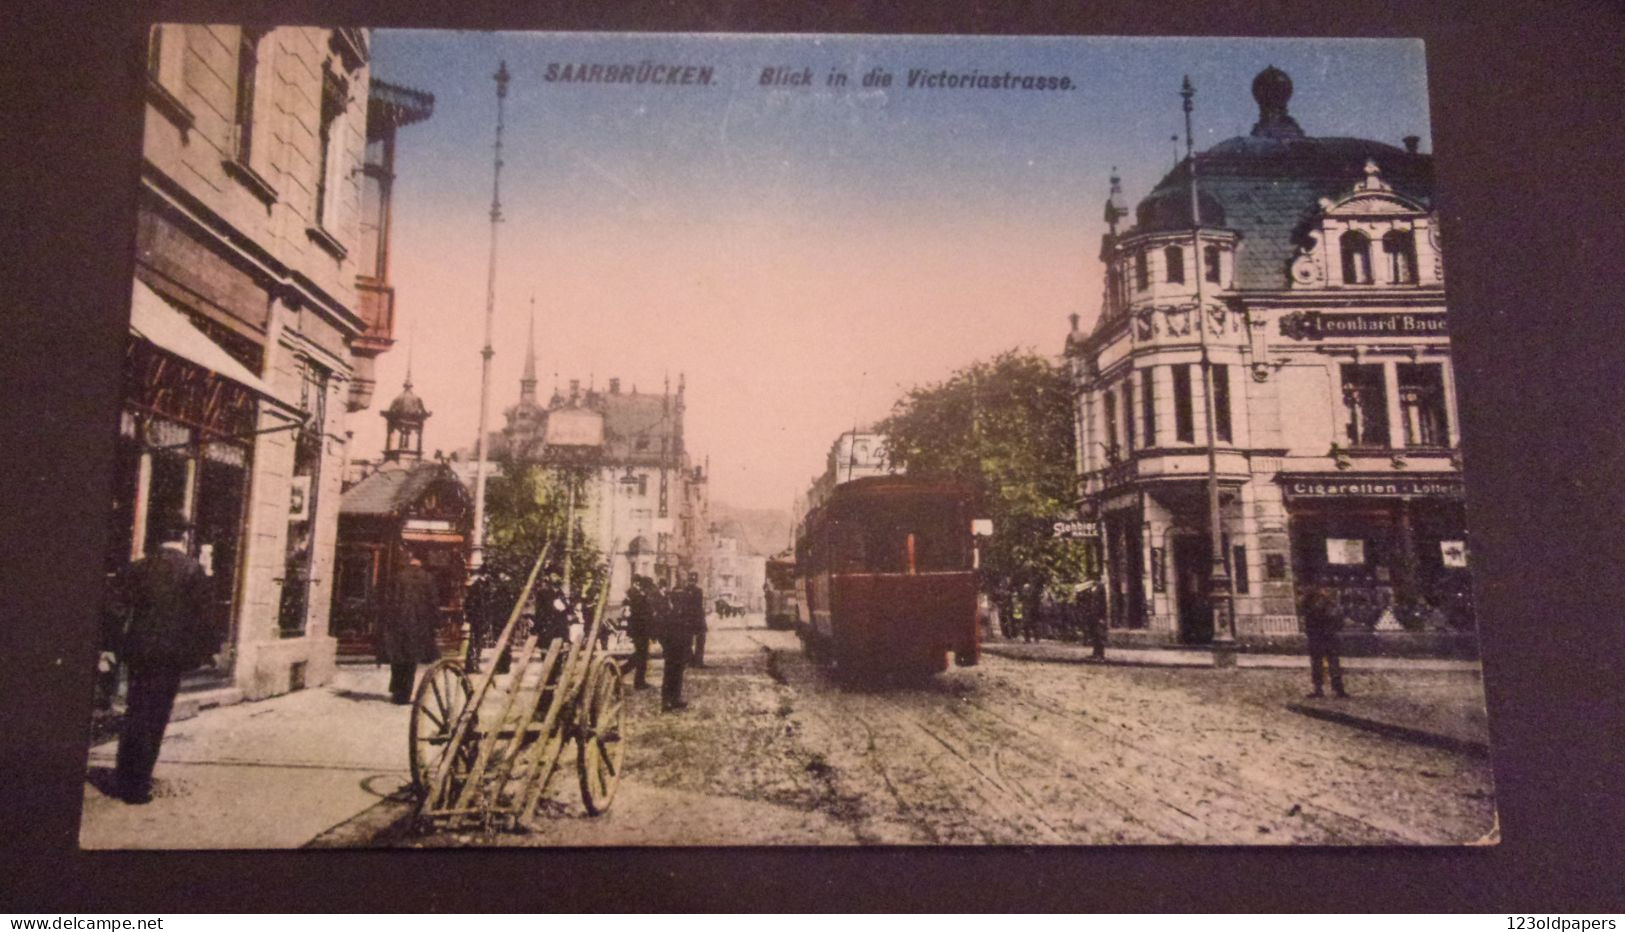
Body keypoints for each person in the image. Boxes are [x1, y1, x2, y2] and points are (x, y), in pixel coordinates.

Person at [103, 511, 220, 804]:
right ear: (183, 536)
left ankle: (124, 779)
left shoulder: (138, 568)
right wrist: (209, 652)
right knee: (155, 717)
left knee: (135, 711)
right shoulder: (193, 571)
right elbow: (204, 617)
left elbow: (114, 608)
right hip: (170, 655)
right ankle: (138, 787)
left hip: (139, 651)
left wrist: (111, 646)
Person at [382, 550, 441, 704]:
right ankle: (406, 694)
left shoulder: (398, 577)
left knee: (398, 658)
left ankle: (397, 691)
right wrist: (436, 623)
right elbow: (434, 603)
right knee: (411, 660)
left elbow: (389, 601)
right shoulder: (428, 578)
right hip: (419, 625)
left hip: (399, 623)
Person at [1302, 584, 1349, 699]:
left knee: (1321, 663)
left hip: (1320, 637)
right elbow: (1338, 619)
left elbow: (1308, 618)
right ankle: (1336, 689)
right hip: (1325, 636)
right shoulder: (1327, 603)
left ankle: (1323, 689)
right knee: (1330, 662)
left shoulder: (1313, 603)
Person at [624, 575, 655, 690]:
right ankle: (638, 682)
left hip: (639, 631)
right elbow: (643, 617)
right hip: (640, 631)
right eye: (648, 588)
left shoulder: (640, 597)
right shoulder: (639, 598)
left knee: (640, 655)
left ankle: (636, 679)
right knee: (641, 656)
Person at [682, 573, 709, 666]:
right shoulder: (685, 591)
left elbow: (699, 605)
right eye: (690, 580)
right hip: (690, 619)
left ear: (695, 581)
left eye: (693, 580)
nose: (691, 582)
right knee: (687, 641)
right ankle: (691, 660)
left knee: (700, 640)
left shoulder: (698, 591)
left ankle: (698, 661)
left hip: (696, 619)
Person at [1079, 581, 1108, 661]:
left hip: (1099, 616)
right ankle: (1095, 653)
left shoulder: (1100, 587)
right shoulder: (1091, 588)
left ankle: (1100, 655)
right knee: (1094, 635)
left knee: (1099, 635)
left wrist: (1102, 617)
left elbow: (1103, 604)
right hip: (1093, 615)